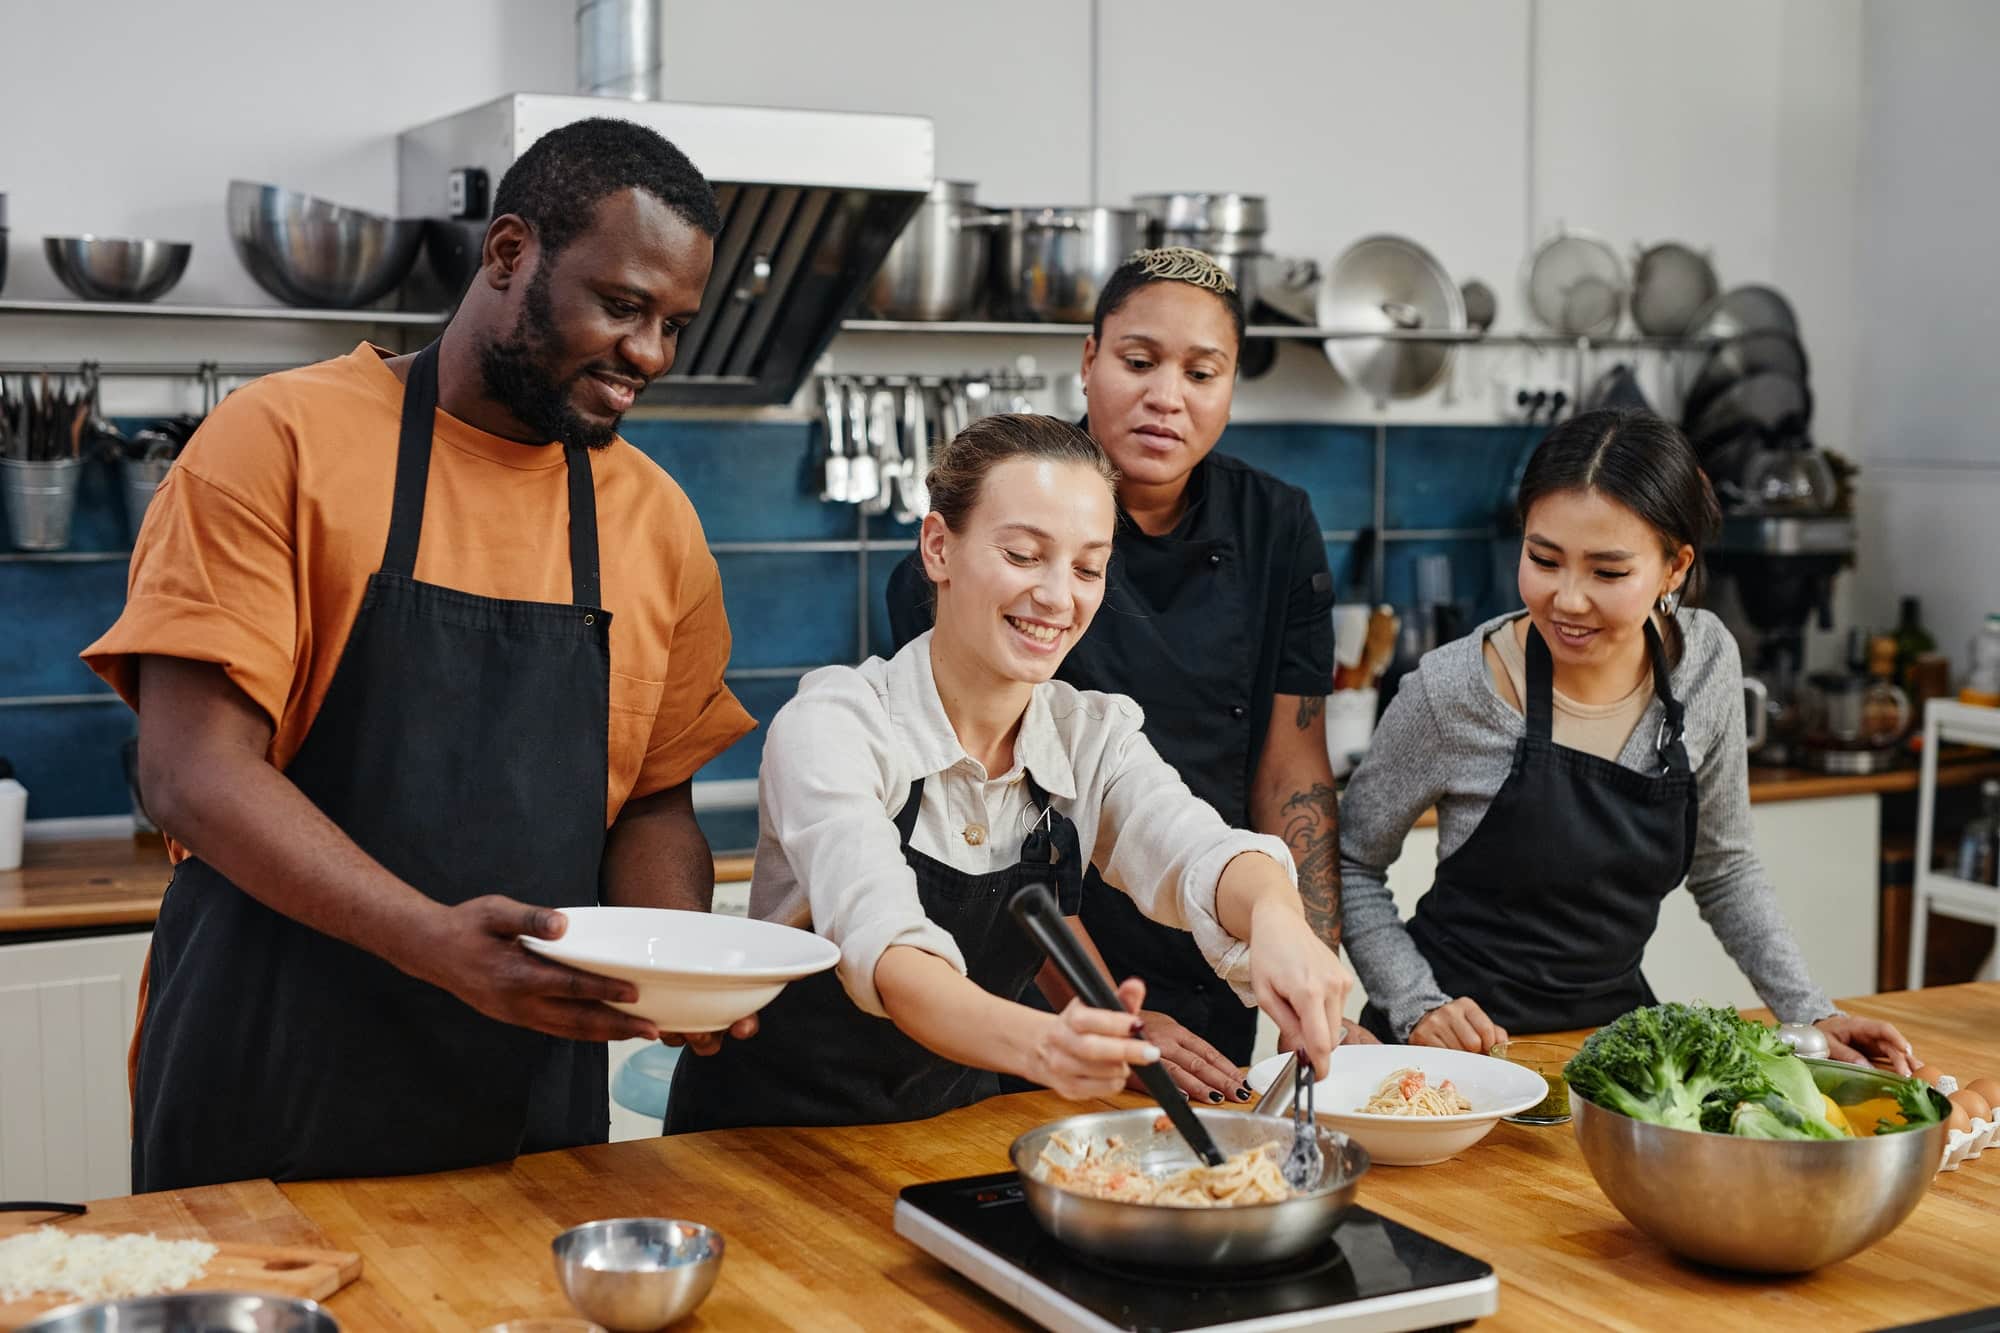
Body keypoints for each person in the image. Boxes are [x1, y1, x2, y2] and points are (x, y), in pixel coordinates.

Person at [81, 118, 761, 1190]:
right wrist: (430, 939)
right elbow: (191, 771)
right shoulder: (277, 441)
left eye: (672, 323)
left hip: (529, 1092)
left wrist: (679, 960)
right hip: (270, 1069)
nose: (649, 355)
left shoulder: (655, 520)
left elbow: (649, 799)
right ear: (507, 253)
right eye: (621, 306)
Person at [666, 414, 1352, 1132]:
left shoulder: (1090, 736)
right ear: (939, 547)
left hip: (940, 1134)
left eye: (1089, 567)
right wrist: (1050, 1043)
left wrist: (1278, 917)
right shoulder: (836, 724)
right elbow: (892, 954)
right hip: (761, 1143)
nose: (1060, 596)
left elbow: (1195, 849)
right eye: (1025, 555)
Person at [885, 248, 1363, 1097]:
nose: (1165, 396)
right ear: (1089, 360)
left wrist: (1304, 952)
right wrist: (1114, 1019)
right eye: (1138, 361)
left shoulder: (1275, 525)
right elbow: (999, 843)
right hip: (1026, 989)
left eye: (1201, 370)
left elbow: (1272, 783)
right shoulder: (955, 586)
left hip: (1218, 957)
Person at [1337, 411, 1916, 1072]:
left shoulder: (1705, 665)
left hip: (1608, 1059)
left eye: (1608, 572)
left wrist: (1811, 1012)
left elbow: (1723, 865)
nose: (1567, 599)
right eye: (1542, 558)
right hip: (1444, 1061)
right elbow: (1348, 862)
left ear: (1674, 567)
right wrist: (1417, 1004)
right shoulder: (1454, 690)